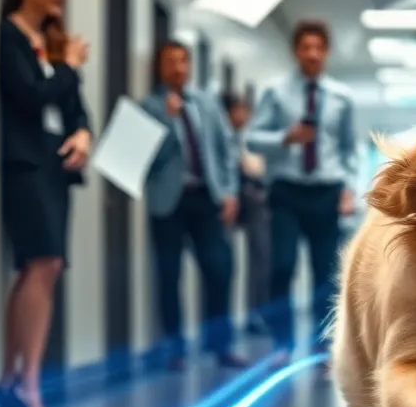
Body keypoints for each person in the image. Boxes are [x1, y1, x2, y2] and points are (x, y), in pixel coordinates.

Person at [0, 0, 92, 407]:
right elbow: (31, 96)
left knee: (42, 270)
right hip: (24, 166)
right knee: (43, 264)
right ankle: (27, 383)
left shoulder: (54, 42)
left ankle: (13, 379)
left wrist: (83, 133)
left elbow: (75, 107)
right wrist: (70, 65)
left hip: (55, 167)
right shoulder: (8, 36)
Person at [246, 19, 359, 355]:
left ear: (325, 52)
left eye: (318, 48)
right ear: (296, 51)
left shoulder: (342, 97)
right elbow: (251, 139)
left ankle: (321, 349)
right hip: (286, 191)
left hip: (326, 191)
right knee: (282, 264)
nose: (312, 54)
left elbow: (348, 148)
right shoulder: (275, 92)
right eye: (305, 48)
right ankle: (282, 344)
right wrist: (285, 137)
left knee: (325, 276)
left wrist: (349, 188)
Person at [141, 41, 246, 371]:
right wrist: (165, 122)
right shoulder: (148, 107)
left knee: (219, 269)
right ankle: (174, 348)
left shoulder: (207, 103)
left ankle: (221, 345)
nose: (178, 68)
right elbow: (146, 158)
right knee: (168, 274)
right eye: (170, 62)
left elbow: (225, 148)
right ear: (159, 68)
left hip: (206, 197)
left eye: (183, 61)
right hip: (167, 201)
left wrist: (230, 191)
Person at [223, 93, 270, 335]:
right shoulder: (223, 138)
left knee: (261, 260)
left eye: (245, 110)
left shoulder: (248, 139)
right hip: (230, 204)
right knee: (224, 265)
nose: (242, 116)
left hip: (253, 204)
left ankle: (256, 314)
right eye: (237, 110)